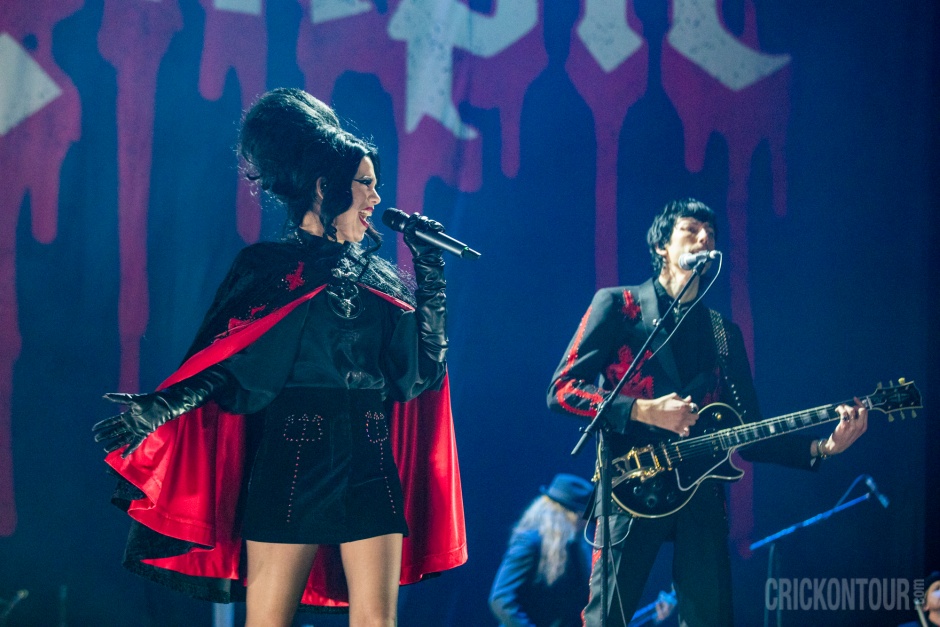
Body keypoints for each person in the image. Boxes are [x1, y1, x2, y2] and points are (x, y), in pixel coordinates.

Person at [92, 88, 466, 626]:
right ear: (324, 186)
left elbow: (420, 376)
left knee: (378, 622)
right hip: (293, 459)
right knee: (269, 621)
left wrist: (430, 275)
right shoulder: (268, 268)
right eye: (365, 183)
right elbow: (226, 362)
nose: (376, 198)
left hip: (371, 459)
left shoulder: (381, 278)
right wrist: (165, 405)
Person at [546, 198, 867, 626]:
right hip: (631, 484)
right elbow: (562, 390)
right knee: (607, 619)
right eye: (691, 229)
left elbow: (751, 433)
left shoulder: (723, 333)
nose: (704, 238)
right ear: (662, 245)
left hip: (702, 494)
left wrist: (823, 446)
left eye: (711, 233)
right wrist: (642, 410)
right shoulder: (619, 306)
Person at [489, 473, 595, 626]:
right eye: (583, 517)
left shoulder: (576, 547)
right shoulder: (529, 543)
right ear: (567, 515)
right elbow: (501, 599)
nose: (587, 524)